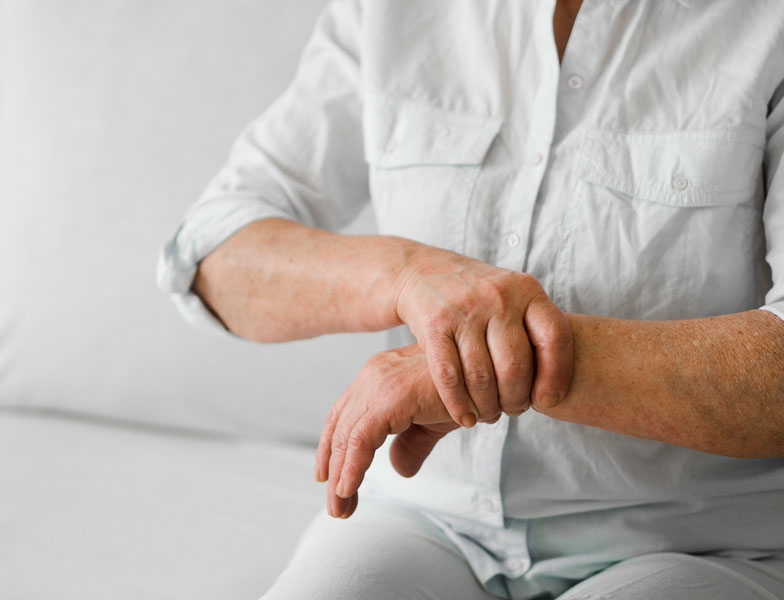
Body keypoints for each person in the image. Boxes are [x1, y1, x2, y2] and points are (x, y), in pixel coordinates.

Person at [158, 0, 784, 598]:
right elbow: (214, 254)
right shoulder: (388, 13)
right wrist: (410, 276)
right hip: (423, 517)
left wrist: (498, 361)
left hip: (702, 541)